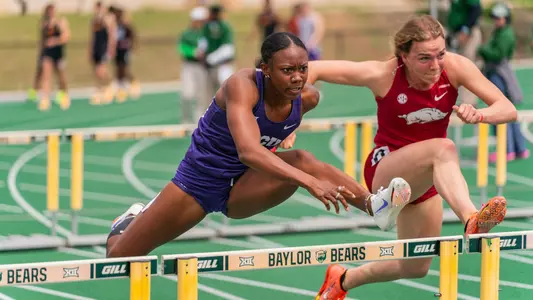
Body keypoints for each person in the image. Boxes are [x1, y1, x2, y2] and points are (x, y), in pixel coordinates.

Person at [104, 32, 413, 258]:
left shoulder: (307, 98)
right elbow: (249, 151)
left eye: (303, 69)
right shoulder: (242, 86)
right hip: (197, 185)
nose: (297, 78)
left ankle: (375, 206)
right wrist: (310, 183)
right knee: (120, 258)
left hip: (243, 188)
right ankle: (129, 220)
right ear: (266, 68)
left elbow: (282, 129)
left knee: (301, 157)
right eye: (287, 70)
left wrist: (287, 136)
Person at [308, 15, 516, 299]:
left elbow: (507, 108)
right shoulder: (383, 74)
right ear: (403, 56)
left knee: (414, 266)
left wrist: (480, 114)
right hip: (385, 169)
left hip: (427, 180)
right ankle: (471, 219)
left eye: (440, 54)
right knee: (444, 148)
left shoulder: (454, 68)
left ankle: (342, 279)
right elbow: (313, 68)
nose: (435, 65)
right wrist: (289, 118)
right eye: (424, 58)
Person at [477, 2, 528, 163]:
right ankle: (518, 148)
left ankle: (507, 150)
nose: (496, 20)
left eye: (499, 17)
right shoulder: (501, 32)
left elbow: (498, 54)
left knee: (500, 111)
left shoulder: (505, 34)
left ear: (506, 18)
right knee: (508, 112)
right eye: (495, 17)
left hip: (499, 74)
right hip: (499, 74)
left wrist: (482, 49)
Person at [445, 0, 483, 107]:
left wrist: (465, 29)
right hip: (455, 32)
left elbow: (476, 10)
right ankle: (451, 100)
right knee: (451, 67)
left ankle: (470, 102)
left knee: (467, 67)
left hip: (467, 33)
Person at [178, 6, 210, 123]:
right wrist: (193, 52)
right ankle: (185, 119)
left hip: (203, 67)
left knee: (201, 96)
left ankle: (199, 121)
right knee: (187, 93)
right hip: (189, 66)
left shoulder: (207, 33)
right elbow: (181, 48)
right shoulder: (187, 34)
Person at [38, 3, 71, 111]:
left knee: (61, 76)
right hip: (47, 53)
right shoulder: (44, 23)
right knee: (46, 75)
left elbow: (66, 36)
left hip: (58, 52)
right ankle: (45, 98)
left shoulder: (61, 22)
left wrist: (55, 41)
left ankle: (64, 95)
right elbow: (42, 39)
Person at [89, 1, 117, 105]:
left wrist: (111, 48)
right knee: (96, 71)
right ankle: (101, 89)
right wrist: (90, 49)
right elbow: (92, 36)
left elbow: (111, 34)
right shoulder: (94, 20)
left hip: (103, 47)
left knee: (101, 70)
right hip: (96, 46)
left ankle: (108, 85)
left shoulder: (108, 18)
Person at [112, 7, 140, 103]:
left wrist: (133, 47)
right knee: (118, 68)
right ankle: (120, 87)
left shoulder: (126, 25)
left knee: (124, 68)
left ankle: (132, 85)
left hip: (125, 49)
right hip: (118, 49)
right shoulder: (115, 25)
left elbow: (133, 35)